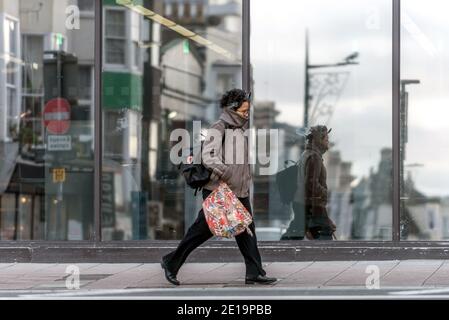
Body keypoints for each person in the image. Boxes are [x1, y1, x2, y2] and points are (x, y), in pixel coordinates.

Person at [161, 89, 277, 286]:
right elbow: (208, 155)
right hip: (220, 190)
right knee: (202, 230)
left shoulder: (239, 131)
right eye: (243, 111)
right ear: (232, 109)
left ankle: (254, 272)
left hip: (238, 191)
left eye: (248, 111)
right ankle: (171, 262)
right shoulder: (219, 127)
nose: (247, 115)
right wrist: (226, 172)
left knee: (246, 229)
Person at [281, 125, 336, 240]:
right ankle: (278, 252)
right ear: (318, 140)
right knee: (324, 236)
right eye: (326, 139)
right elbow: (311, 185)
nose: (328, 142)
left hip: (303, 203)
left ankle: (279, 251)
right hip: (310, 205)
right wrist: (324, 192)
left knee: (296, 233)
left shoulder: (308, 154)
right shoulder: (314, 157)